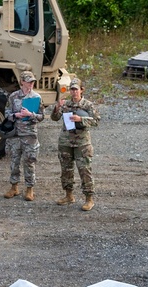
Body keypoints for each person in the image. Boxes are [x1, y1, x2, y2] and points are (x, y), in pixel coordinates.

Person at [51, 78, 100, 211]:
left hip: (82, 143)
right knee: (66, 170)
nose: (74, 92)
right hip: (66, 141)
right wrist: (57, 108)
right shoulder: (66, 104)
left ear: (81, 90)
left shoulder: (88, 105)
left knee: (84, 170)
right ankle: (69, 195)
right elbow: (54, 118)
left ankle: (89, 199)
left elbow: (96, 121)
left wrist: (81, 119)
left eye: (76, 89)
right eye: (72, 89)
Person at [3, 71, 45, 202]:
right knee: (14, 162)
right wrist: (16, 115)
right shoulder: (13, 96)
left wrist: (30, 114)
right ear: (22, 82)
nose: (31, 84)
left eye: (32, 82)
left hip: (30, 135)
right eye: (28, 81)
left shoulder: (36, 98)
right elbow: (6, 113)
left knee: (29, 162)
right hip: (15, 135)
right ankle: (14, 187)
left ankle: (29, 189)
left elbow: (42, 116)